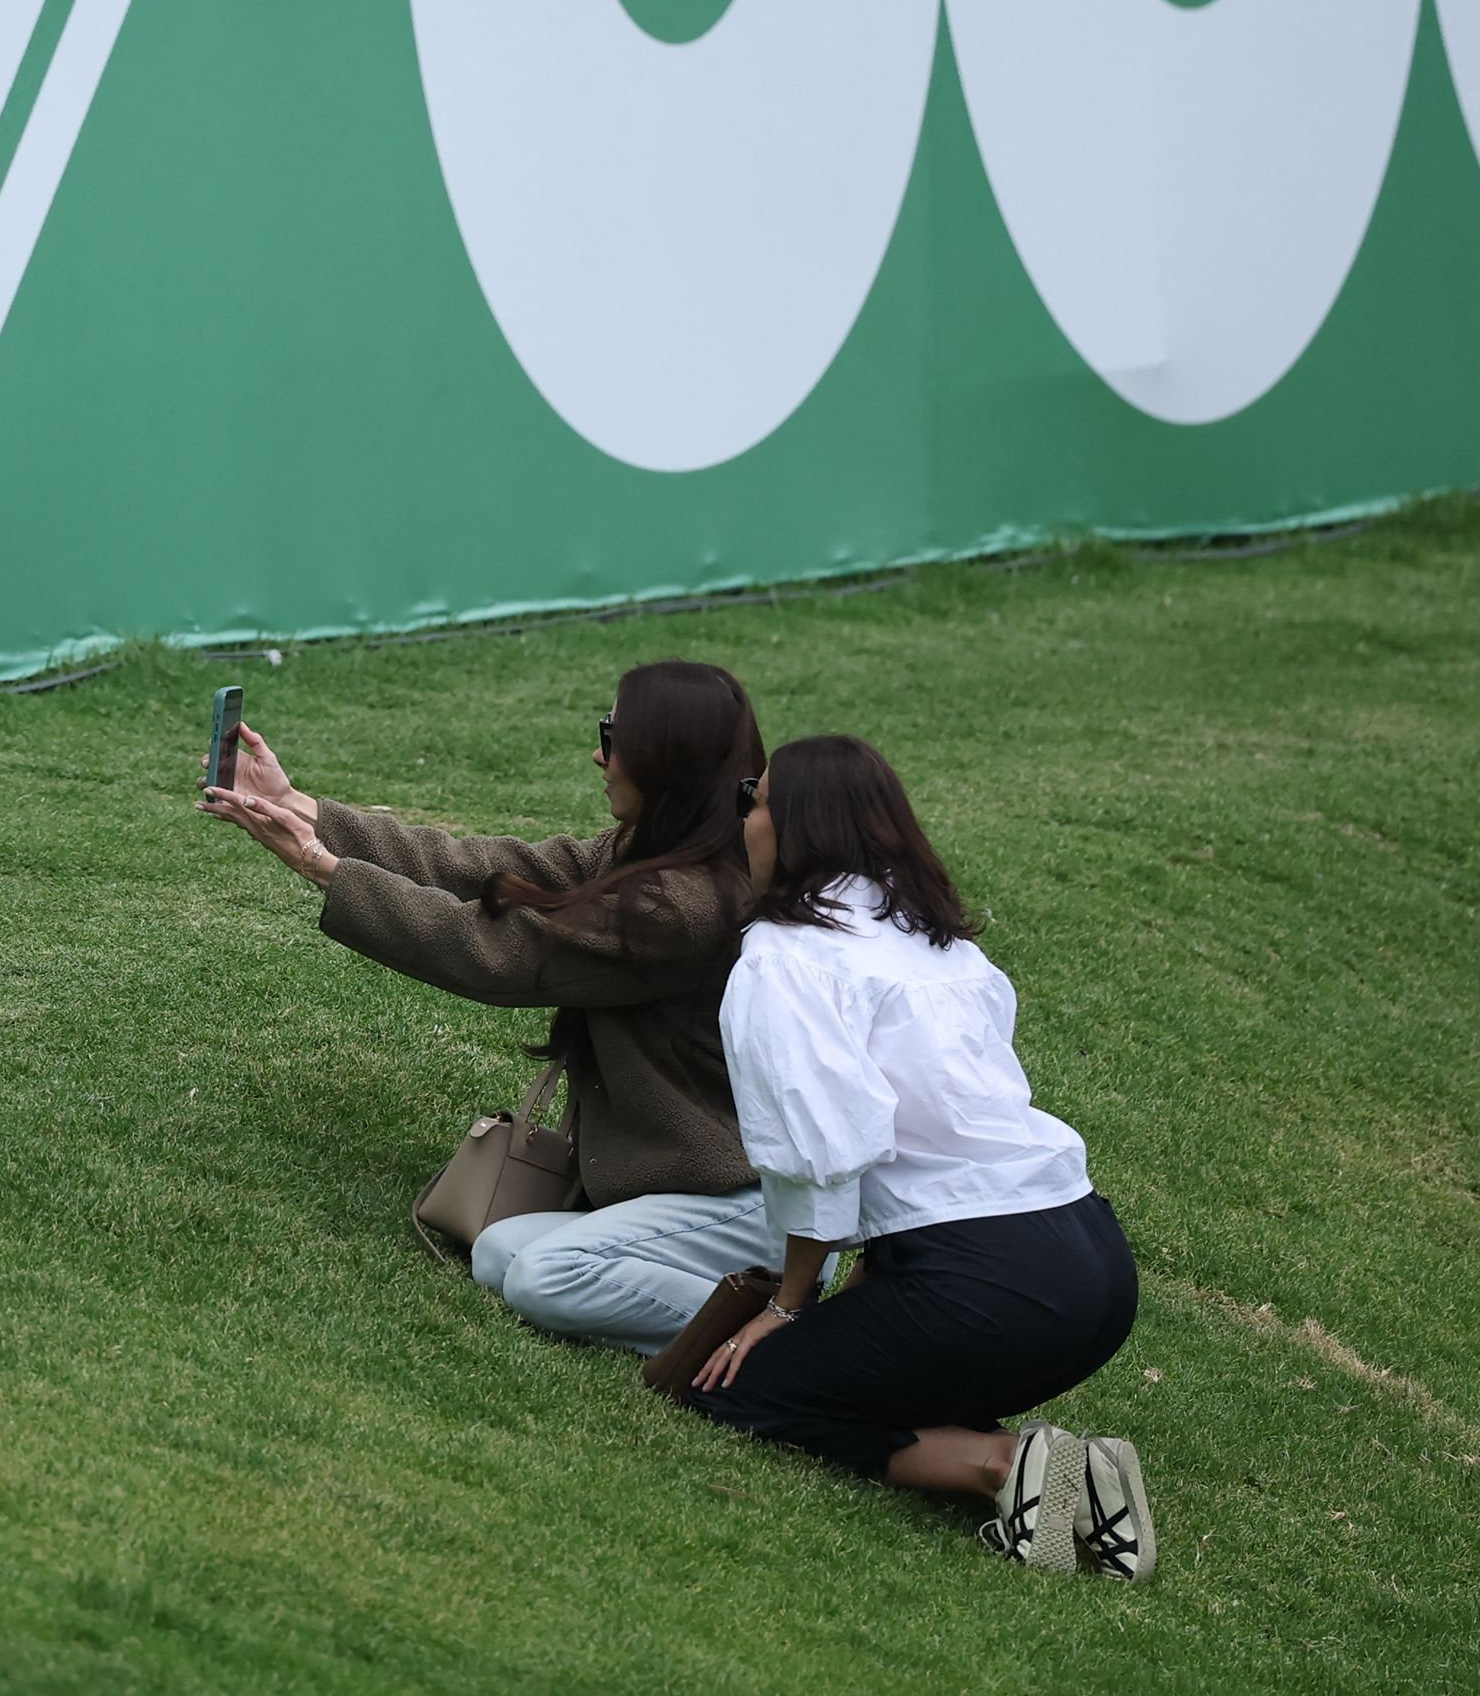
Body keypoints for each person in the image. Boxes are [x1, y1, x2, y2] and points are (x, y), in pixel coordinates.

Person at [675, 734, 1153, 1579]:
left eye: (757, 799)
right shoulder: (940, 943)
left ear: (797, 827)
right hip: (1095, 1271)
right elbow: (931, 1168)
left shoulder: (786, 955)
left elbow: (822, 1155)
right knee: (870, 1380)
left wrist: (787, 1308)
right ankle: (1074, 1483)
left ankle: (1004, 1466)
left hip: (990, 1282)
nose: (745, 816)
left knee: (738, 1394)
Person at [200, 660, 780, 1350]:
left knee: (542, 1278)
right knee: (500, 1252)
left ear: (666, 758)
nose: (599, 753)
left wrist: (318, 865)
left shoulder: (680, 906)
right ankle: (722, 1304)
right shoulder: (659, 855)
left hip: (740, 1203)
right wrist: (301, 807)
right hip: (675, 1195)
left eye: (615, 735)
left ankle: (781, 1337)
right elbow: (480, 867)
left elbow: (491, 952)